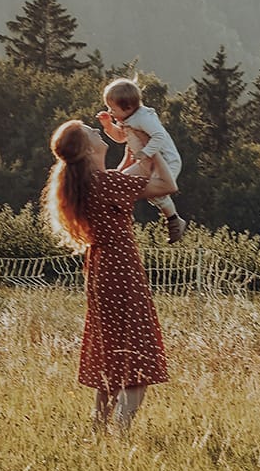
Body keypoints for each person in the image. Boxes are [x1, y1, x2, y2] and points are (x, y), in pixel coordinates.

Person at [42, 118, 178, 432]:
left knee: (112, 353)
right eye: (90, 131)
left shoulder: (91, 182)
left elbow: (125, 173)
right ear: (88, 149)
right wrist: (152, 144)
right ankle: (120, 432)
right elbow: (166, 185)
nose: (96, 130)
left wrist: (132, 146)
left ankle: (99, 429)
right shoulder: (105, 184)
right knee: (137, 355)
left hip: (101, 270)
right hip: (122, 269)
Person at [97, 77, 187, 244]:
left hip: (166, 161)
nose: (110, 112)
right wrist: (108, 125)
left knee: (156, 192)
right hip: (145, 162)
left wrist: (145, 152)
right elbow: (120, 138)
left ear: (128, 107)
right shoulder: (126, 119)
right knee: (122, 181)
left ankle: (174, 220)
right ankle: (121, 216)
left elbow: (159, 136)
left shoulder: (144, 118)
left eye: (113, 109)